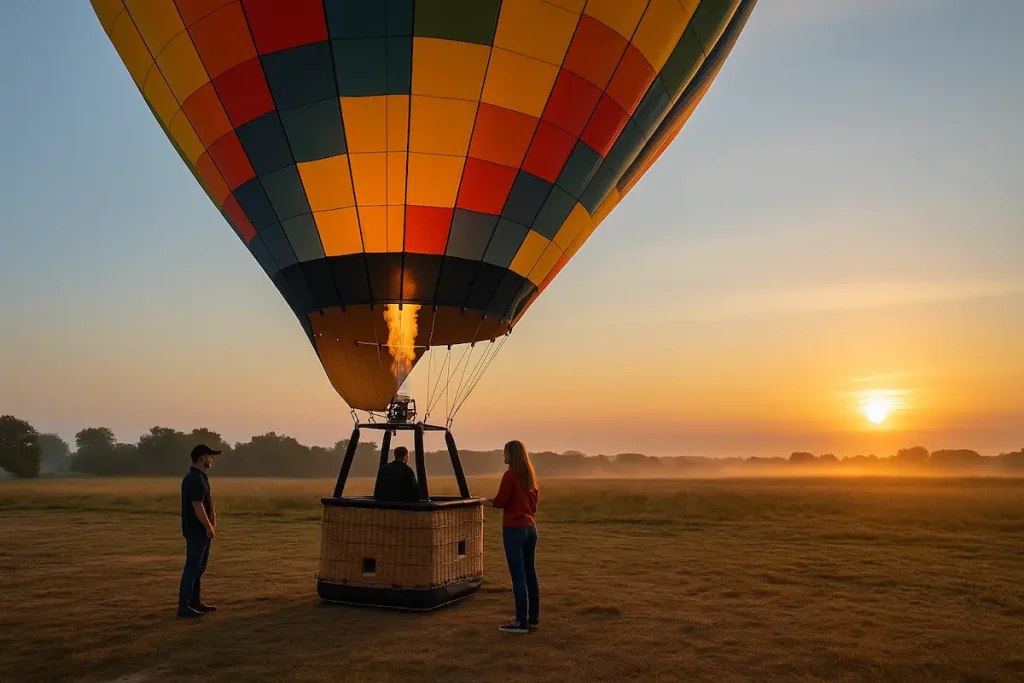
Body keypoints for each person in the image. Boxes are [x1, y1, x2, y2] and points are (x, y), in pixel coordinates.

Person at [483, 440, 540, 634]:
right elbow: (533, 508)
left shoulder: (510, 475)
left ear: (512, 455)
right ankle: (533, 618)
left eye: (505, 453)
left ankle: (520, 621)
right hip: (531, 529)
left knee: (518, 577)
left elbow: (500, 502)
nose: (503, 456)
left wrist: (484, 502)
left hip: (514, 530)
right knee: (530, 573)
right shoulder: (529, 476)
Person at [178, 444, 219, 618]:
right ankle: (184, 606)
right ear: (202, 458)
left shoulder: (200, 477)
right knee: (192, 568)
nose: (212, 460)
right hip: (196, 530)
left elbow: (207, 503)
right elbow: (197, 505)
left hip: (201, 530)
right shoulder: (194, 479)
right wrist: (208, 527)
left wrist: (212, 523)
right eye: (210, 456)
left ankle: (195, 602)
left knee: (199, 568)